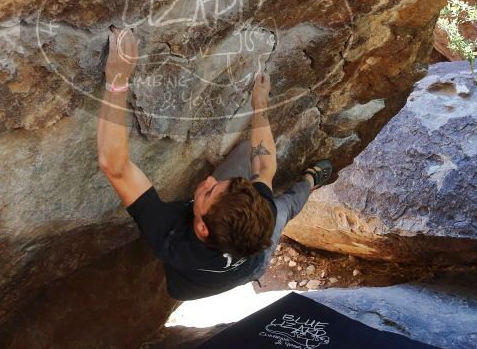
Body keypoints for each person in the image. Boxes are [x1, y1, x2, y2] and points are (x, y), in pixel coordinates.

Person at [97, 26, 333, 300]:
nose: (208, 180)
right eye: (219, 185)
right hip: (254, 259)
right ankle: (310, 180)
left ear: (201, 228)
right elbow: (264, 167)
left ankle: (310, 181)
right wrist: (259, 105)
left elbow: (114, 165)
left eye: (209, 191)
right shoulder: (261, 215)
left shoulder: (173, 239)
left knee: (288, 204)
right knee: (281, 199)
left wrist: (117, 78)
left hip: (199, 282)